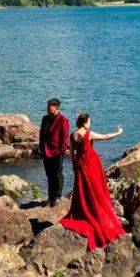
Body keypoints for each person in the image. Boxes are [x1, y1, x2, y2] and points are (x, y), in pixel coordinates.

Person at [59, 113, 125, 249]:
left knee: (82, 188)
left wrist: (73, 164)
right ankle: (96, 209)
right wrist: (119, 132)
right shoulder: (88, 134)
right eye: (89, 121)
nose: (90, 123)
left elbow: (71, 151)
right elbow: (106, 137)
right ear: (85, 123)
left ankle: (84, 208)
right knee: (95, 188)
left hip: (80, 163)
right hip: (91, 162)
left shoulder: (72, 135)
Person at [39, 98, 70, 205]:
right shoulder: (45, 118)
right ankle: (50, 196)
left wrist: (61, 151)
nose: (48, 108)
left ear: (57, 107)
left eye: (50, 107)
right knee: (49, 175)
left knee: (57, 174)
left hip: (57, 152)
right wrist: (41, 147)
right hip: (46, 151)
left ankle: (57, 196)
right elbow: (41, 134)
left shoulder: (63, 120)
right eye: (48, 106)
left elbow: (65, 137)